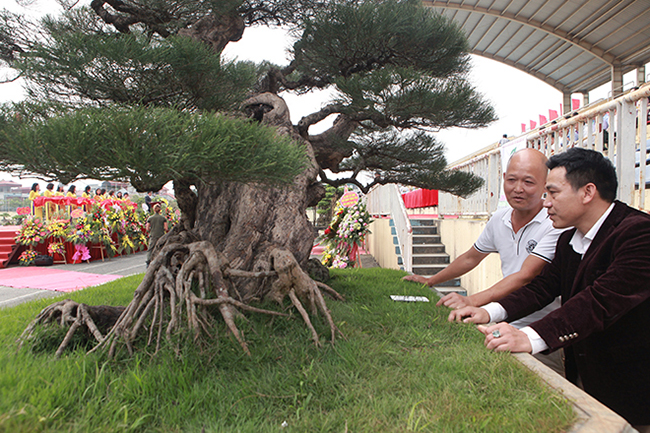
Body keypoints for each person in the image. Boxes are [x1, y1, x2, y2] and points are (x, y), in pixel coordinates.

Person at [451, 148, 650, 429]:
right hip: (586, 374)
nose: (546, 203)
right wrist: (487, 312)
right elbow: (541, 289)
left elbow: (599, 302)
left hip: (633, 387)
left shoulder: (638, 234)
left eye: (553, 193)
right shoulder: (568, 237)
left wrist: (528, 338)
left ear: (587, 192)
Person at [403, 148, 566, 374]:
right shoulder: (499, 218)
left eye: (528, 182)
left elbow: (526, 275)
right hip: (503, 318)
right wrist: (431, 280)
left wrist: (472, 301)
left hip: (541, 328)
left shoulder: (554, 224)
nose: (518, 189)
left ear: (545, 186)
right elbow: (471, 257)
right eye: (511, 180)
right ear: (503, 179)